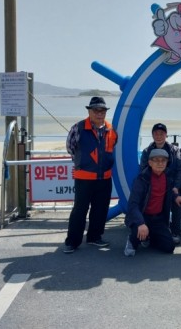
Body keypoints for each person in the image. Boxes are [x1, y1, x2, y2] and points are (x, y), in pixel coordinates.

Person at [63, 97, 118, 253]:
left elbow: (113, 146)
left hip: (104, 178)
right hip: (84, 178)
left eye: (102, 111)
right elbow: (70, 147)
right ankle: (72, 242)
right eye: (96, 110)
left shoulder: (111, 129)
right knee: (79, 210)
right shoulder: (78, 128)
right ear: (89, 111)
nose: (99, 114)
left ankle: (95, 237)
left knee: (100, 209)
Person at [124, 149, 178, 257]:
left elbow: (169, 192)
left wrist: (176, 196)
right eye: (156, 160)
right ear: (150, 162)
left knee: (169, 247)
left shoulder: (168, 176)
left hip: (158, 218)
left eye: (163, 160)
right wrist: (140, 223)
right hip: (142, 216)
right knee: (135, 239)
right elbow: (133, 204)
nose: (160, 163)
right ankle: (132, 240)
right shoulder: (142, 179)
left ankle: (149, 236)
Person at [139, 123, 181, 243]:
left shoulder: (174, 150)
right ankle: (153, 229)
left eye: (161, 134)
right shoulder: (147, 151)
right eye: (156, 134)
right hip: (153, 186)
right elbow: (143, 170)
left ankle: (175, 231)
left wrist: (176, 187)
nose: (159, 136)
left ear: (166, 135)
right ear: (152, 135)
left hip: (171, 186)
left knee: (177, 201)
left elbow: (180, 169)